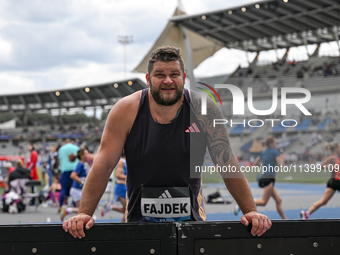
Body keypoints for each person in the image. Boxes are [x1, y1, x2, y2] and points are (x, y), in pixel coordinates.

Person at [63, 46, 271, 238]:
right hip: (138, 223)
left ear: (184, 77)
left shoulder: (203, 108)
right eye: (160, 75)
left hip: (191, 223)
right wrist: (85, 213)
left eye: (174, 74)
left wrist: (250, 210)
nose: (168, 81)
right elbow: (105, 162)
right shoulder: (125, 110)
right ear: (148, 79)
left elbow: (226, 162)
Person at [243, 136, 287, 219]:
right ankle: (243, 204)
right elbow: (281, 164)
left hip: (264, 176)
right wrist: (280, 160)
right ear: (271, 144)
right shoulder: (275, 152)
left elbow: (255, 163)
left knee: (278, 200)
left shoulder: (263, 152)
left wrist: (263, 165)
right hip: (269, 178)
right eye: (274, 142)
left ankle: (285, 219)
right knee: (263, 202)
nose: (276, 144)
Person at [300, 142, 340, 219]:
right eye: (339, 147)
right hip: (336, 181)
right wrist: (331, 168)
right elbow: (321, 165)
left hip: (333, 182)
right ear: (335, 148)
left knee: (323, 201)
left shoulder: (337, 158)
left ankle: (306, 213)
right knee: (323, 201)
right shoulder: (332, 158)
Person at [61, 148, 88, 221]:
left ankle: (70, 216)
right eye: (86, 154)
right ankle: (67, 210)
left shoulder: (83, 164)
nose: (88, 155)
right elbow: (73, 175)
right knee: (82, 211)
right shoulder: (80, 164)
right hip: (76, 190)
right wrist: (83, 182)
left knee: (81, 211)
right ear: (82, 156)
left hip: (78, 190)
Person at [101, 152, 127, 222]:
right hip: (121, 187)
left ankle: (110, 207)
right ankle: (123, 229)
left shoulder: (126, 161)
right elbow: (118, 175)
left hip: (124, 187)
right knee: (128, 210)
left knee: (126, 210)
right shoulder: (122, 162)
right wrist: (130, 178)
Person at [58, 139, 79, 212]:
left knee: (63, 189)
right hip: (75, 171)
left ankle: (60, 207)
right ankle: (75, 206)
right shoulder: (76, 148)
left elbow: (59, 160)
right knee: (74, 189)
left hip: (65, 171)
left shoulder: (61, 149)